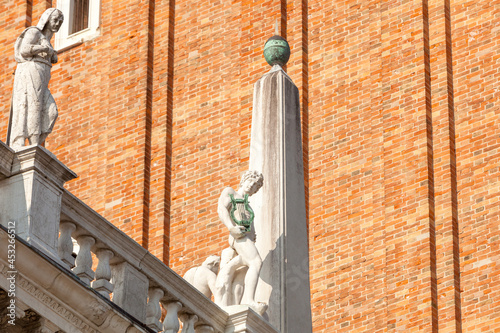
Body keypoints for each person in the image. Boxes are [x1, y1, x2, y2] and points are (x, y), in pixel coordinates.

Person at [7, 8, 64, 148]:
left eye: (60, 22)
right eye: (55, 20)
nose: (57, 24)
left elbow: (53, 58)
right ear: (47, 19)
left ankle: (36, 142)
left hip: (43, 78)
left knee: (51, 112)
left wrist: (51, 53)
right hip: (31, 72)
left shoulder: (48, 41)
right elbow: (24, 50)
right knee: (34, 105)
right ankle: (32, 143)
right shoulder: (34, 32)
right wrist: (43, 49)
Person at [215, 170, 267, 314]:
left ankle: (237, 304)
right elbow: (222, 210)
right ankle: (249, 300)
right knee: (256, 262)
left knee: (240, 274)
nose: (252, 186)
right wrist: (231, 228)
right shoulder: (230, 192)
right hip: (239, 237)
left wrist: (253, 234)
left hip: (247, 240)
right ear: (244, 180)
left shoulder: (248, 206)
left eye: (255, 186)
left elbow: (250, 225)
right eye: (250, 181)